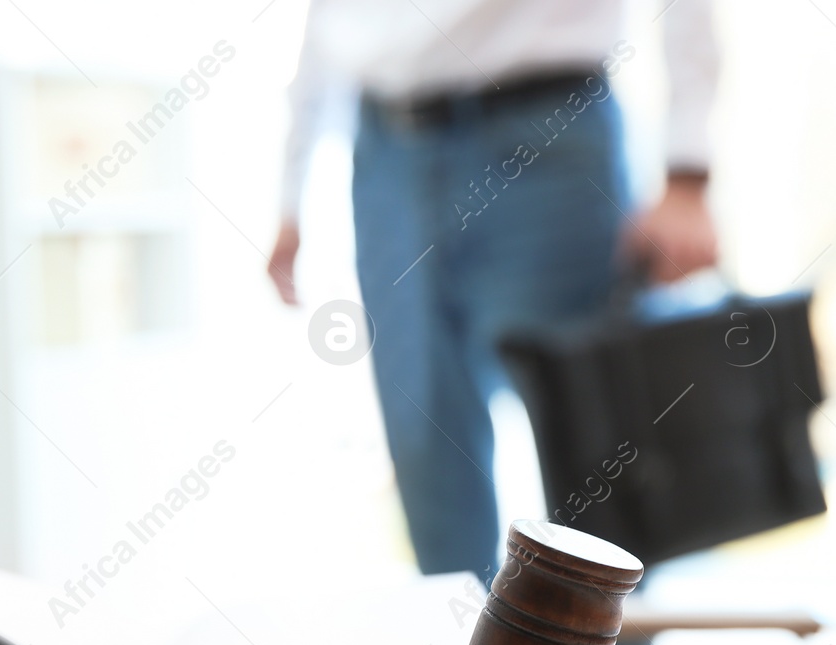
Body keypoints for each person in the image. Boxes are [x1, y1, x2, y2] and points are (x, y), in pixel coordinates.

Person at [269, 0, 719, 580]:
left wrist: (689, 170)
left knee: (589, 447)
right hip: (385, 150)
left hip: (547, 129)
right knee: (426, 443)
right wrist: (290, 191)